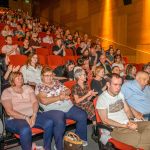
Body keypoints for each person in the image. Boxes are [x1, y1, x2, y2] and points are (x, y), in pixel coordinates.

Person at [35, 67, 88, 150]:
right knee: (60, 121)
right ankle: (59, 146)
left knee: (82, 115)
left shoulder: (57, 82)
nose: (49, 77)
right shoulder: (40, 86)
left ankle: (80, 139)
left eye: (51, 75)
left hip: (67, 106)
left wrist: (65, 92)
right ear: (42, 76)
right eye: (46, 75)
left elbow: (68, 91)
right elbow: (44, 100)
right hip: (53, 110)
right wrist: (59, 97)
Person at [1, 72, 53, 150]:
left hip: (32, 115)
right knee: (25, 129)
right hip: (15, 119)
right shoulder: (7, 92)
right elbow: (9, 111)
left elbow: (35, 102)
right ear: (12, 79)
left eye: (22, 78)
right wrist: (25, 117)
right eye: (18, 78)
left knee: (49, 123)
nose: (21, 79)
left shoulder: (27, 88)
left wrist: (34, 115)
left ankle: (47, 148)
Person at [96, 73, 150, 150]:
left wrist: (131, 120)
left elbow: (127, 110)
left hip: (128, 123)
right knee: (141, 137)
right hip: (116, 128)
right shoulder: (102, 99)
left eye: (120, 85)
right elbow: (105, 120)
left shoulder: (120, 94)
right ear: (108, 84)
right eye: (115, 84)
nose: (118, 87)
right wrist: (125, 126)